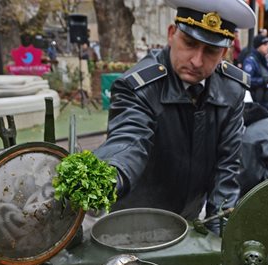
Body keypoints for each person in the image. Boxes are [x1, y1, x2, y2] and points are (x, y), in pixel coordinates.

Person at [94, 0, 255, 228]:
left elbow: (228, 167)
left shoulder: (232, 89)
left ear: (224, 53)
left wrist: (219, 233)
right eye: (189, 43)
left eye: (210, 50)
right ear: (172, 34)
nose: (196, 61)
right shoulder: (139, 86)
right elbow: (129, 141)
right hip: (134, 223)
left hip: (187, 219)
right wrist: (108, 176)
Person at [244, 34, 268, 113]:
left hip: (266, 101)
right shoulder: (251, 60)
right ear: (258, 46)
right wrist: (263, 81)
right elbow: (246, 80)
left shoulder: (264, 59)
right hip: (256, 102)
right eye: (265, 44)